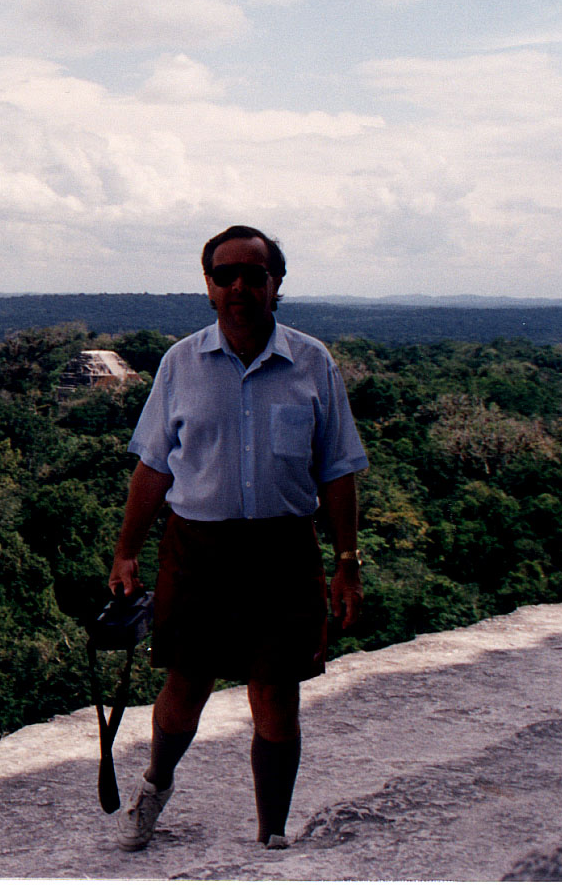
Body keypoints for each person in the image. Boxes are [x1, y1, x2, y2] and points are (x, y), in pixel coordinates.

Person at [107, 224, 368, 852]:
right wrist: (125, 551)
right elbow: (153, 466)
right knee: (186, 684)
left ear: (277, 284)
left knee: (276, 693)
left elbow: (337, 470)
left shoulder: (312, 362)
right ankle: (155, 788)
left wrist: (347, 561)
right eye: (227, 275)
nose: (241, 286)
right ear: (209, 287)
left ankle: (272, 834)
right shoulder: (181, 363)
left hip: (284, 552)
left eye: (256, 274)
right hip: (197, 550)